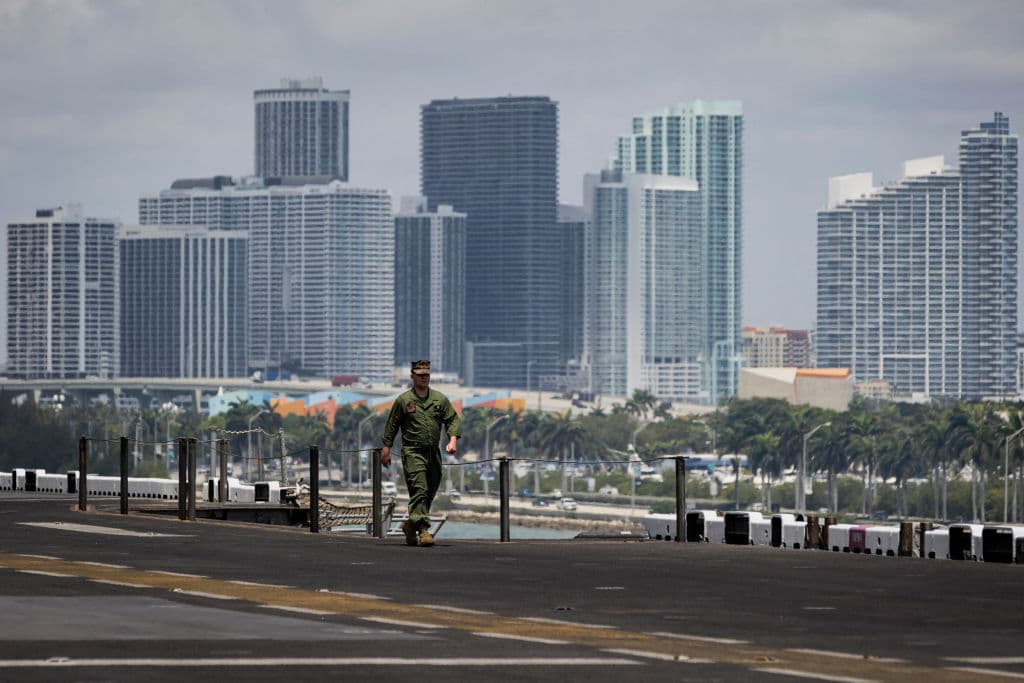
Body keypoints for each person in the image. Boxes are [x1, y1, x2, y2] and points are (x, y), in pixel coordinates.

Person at [381, 359, 461, 547]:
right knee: (419, 489)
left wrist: (452, 440)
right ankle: (424, 529)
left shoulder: (439, 399)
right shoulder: (404, 400)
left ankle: (410, 525)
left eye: (427, 374)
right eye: (420, 374)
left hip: (433, 452)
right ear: (412, 376)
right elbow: (392, 425)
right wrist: (386, 449)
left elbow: (452, 419)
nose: (424, 377)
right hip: (412, 451)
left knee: (430, 490)